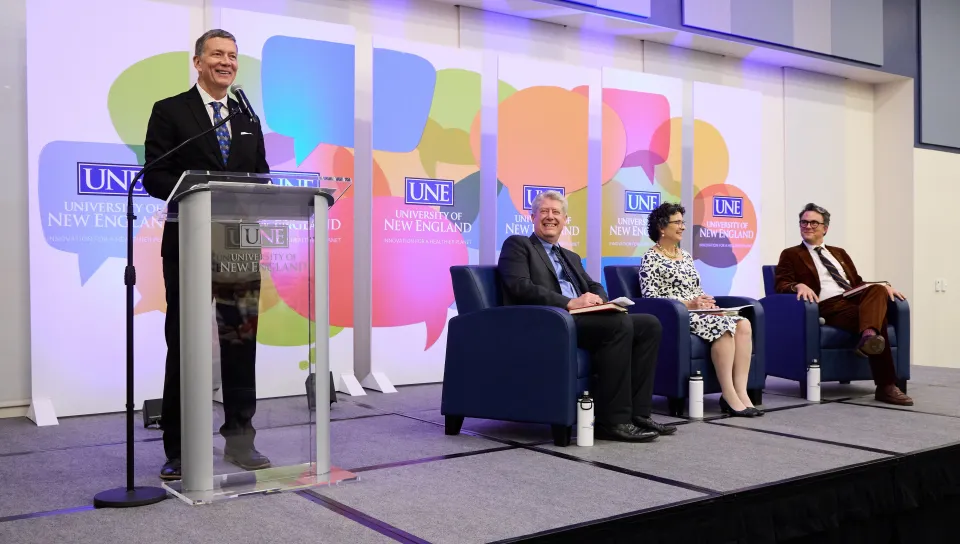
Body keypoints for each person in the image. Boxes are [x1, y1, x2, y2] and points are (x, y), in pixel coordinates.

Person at [143, 29, 271, 480]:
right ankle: (180, 448)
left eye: (232, 56)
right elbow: (154, 176)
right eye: (217, 54)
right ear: (198, 61)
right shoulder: (170, 110)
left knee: (240, 341)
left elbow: (262, 176)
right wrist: (199, 190)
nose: (226, 62)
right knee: (185, 343)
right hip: (190, 239)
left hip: (239, 243)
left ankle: (240, 440)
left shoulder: (247, 116)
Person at [497, 191, 676, 442]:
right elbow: (520, 287)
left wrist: (600, 301)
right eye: (544, 211)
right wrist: (570, 302)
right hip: (550, 321)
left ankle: (639, 414)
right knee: (618, 324)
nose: (550, 217)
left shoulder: (569, 256)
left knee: (649, 324)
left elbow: (594, 285)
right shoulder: (519, 245)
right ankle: (612, 421)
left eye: (556, 212)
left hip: (582, 318)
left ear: (565, 220)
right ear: (532, 217)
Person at [774, 203, 912, 406]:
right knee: (878, 320)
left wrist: (884, 288)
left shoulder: (839, 252)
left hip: (852, 297)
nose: (808, 226)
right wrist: (798, 285)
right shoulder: (791, 254)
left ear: (825, 228)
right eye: (804, 222)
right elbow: (780, 284)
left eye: (814, 223)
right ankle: (886, 385)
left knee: (879, 289)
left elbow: (857, 283)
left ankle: (868, 337)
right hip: (827, 305)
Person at [638, 202, 761, 417]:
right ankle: (728, 394)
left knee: (743, 323)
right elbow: (651, 298)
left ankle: (741, 391)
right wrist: (689, 305)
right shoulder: (650, 258)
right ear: (661, 227)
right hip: (677, 316)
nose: (683, 227)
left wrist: (706, 302)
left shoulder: (685, 255)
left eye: (682, 222)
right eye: (677, 222)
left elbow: (695, 289)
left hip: (699, 312)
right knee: (724, 327)